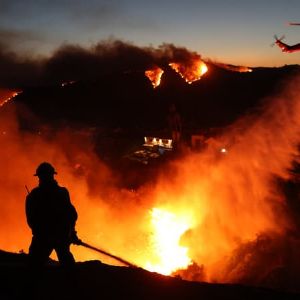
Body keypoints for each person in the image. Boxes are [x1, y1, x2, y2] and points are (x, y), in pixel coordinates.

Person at [25, 162, 79, 268]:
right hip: (57, 236)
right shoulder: (62, 193)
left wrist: (72, 232)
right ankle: (74, 283)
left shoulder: (34, 195)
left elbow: (31, 220)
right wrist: (71, 232)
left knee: (33, 267)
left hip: (44, 238)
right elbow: (71, 215)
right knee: (67, 264)